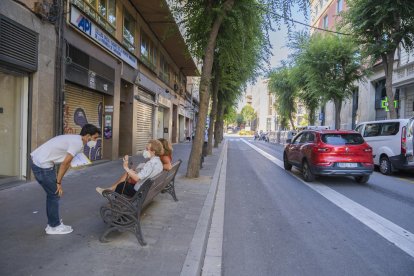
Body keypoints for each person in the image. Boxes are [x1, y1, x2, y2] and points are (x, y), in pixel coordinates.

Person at [31, 124, 101, 235]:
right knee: (54, 194)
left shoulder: (76, 140)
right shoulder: (77, 143)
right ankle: (54, 226)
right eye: (95, 138)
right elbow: (65, 164)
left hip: (40, 162)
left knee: (52, 194)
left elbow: (66, 160)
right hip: (42, 165)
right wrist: (58, 182)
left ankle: (54, 222)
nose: (96, 141)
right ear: (88, 136)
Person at [96, 139, 164, 197]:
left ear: (153, 152)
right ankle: (109, 191)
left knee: (121, 186)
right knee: (128, 177)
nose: (145, 151)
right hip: (148, 190)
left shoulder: (151, 163)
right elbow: (146, 173)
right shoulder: (159, 162)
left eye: (147, 149)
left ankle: (115, 201)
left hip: (140, 192)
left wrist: (126, 167)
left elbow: (137, 178)